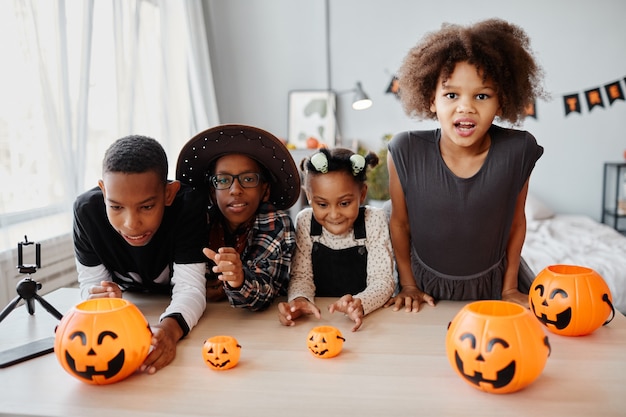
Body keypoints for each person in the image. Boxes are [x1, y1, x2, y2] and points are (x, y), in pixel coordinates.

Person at [385, 18, 546, 313]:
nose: (466, 107)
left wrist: (510, 288)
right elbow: (399, 223)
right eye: (451, 95)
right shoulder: (404, 150)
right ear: (431, 99)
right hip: (423, 290)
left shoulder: (518, 150)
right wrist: (408, 285)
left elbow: (516, 222)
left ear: (501, 103)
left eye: (482, 96)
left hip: (495, 287)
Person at [73, 135, 208, 374]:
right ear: (103, 192)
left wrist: (168, 330)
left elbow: (190, 288)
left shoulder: (188, 206)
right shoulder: (87, 212)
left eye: (146, 207)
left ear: (169, 194)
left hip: (174, 307)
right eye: (116, 207)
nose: (131, 224)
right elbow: (90, 284)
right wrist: (98, 299)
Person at [176, 124, 301, 311]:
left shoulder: (276, 223)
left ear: (265, 191)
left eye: (249, 179)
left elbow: (266, 289)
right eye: (224, 180)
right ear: (212, 191)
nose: (235, 190)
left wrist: (238, 279)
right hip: (208, 317)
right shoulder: (198, 220)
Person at [278, 147, 396, 331]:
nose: (334, 214)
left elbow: (382, 280)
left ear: (362, 194)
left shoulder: (374, 220)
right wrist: (299, 300)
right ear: (309, 196)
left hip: (365, 320)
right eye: (322, 204)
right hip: (318, 320)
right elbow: (302, 276)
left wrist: (359, 303)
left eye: (344, 203)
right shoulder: (305, 221)